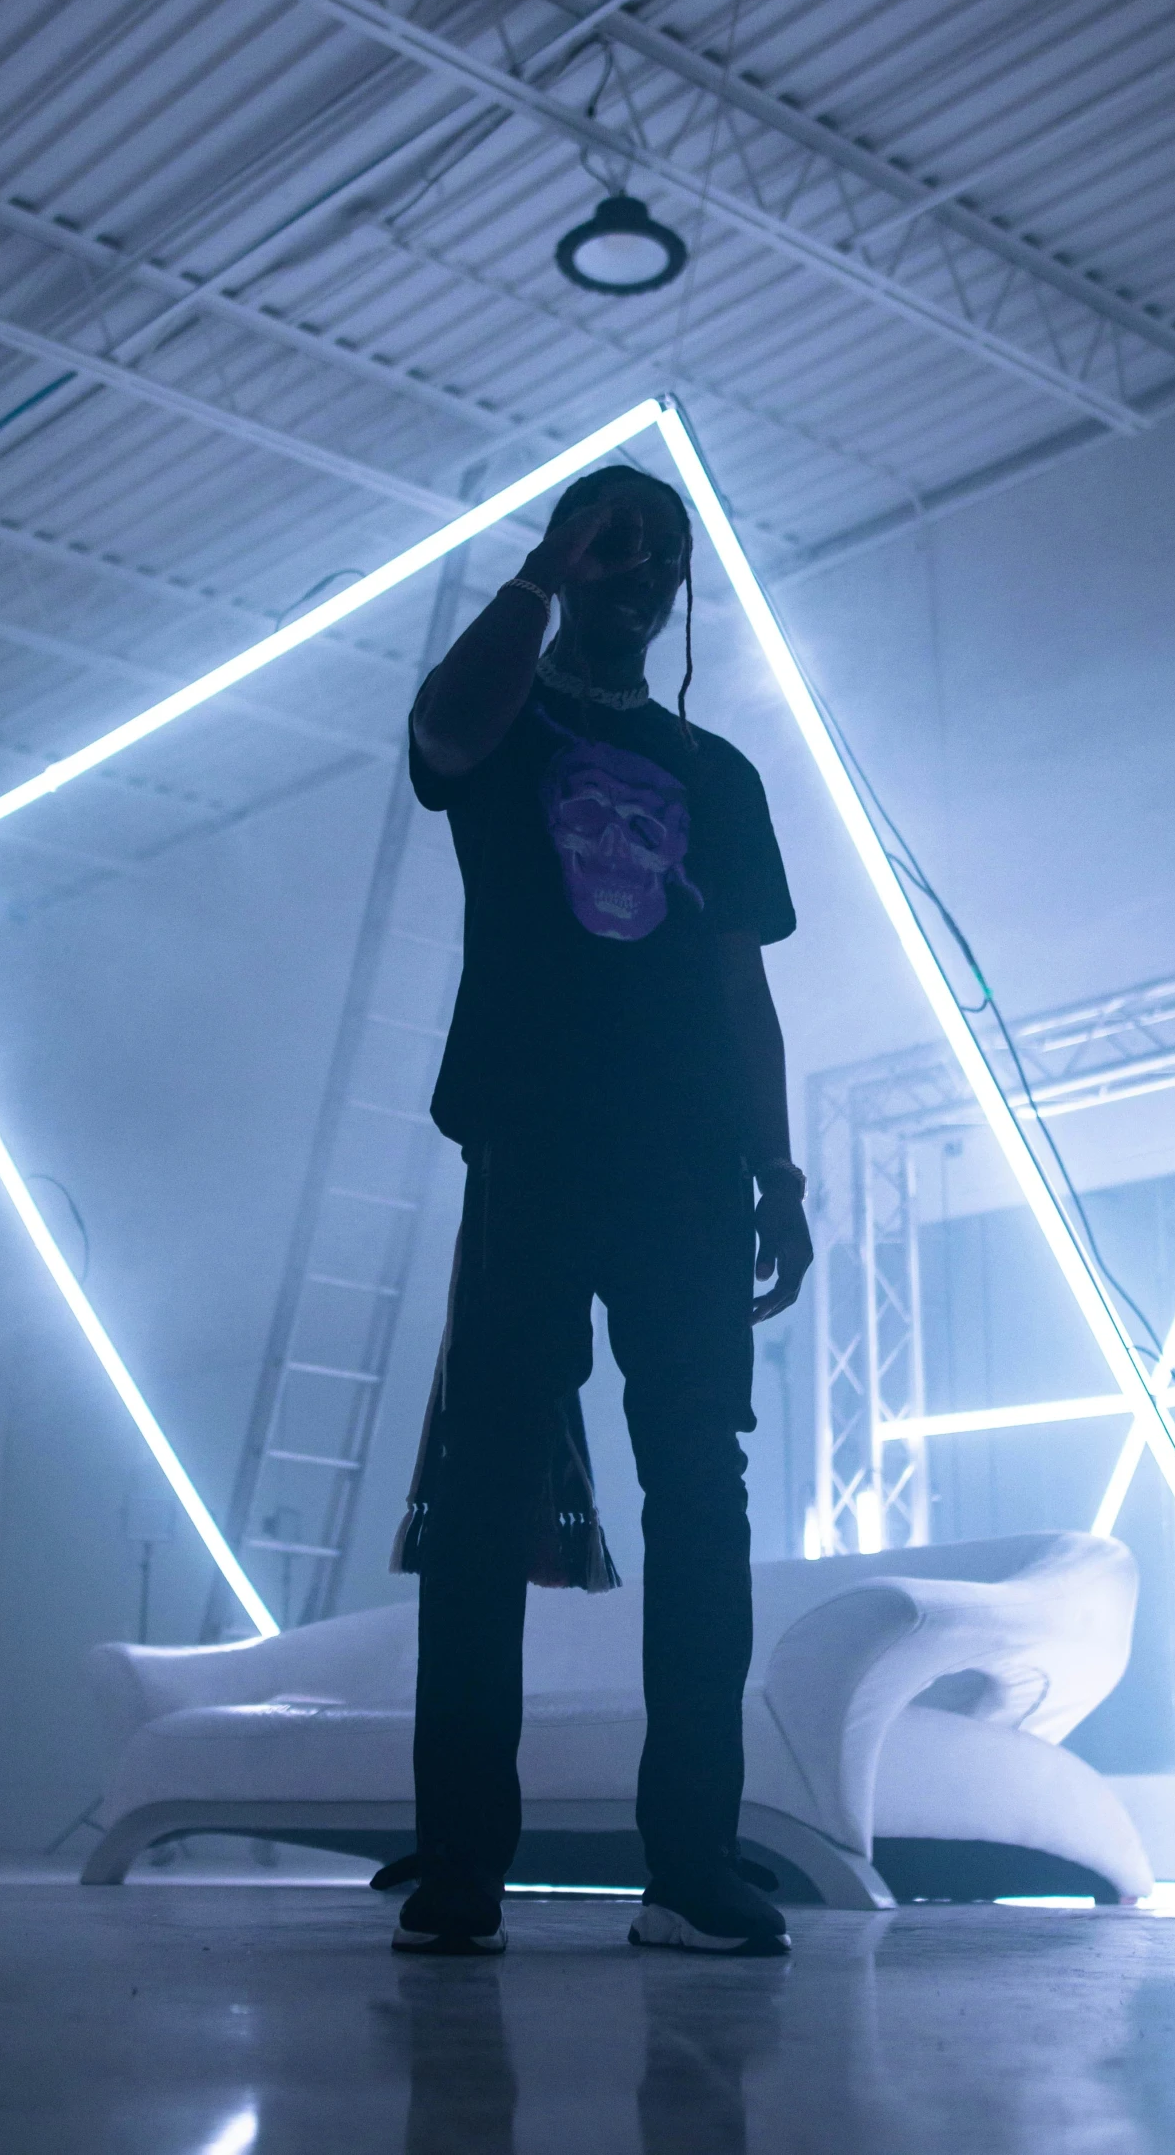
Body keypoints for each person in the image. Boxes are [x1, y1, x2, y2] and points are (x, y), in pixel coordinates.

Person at [387, 464, 812, 1958]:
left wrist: (780, 1171)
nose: (637, 574)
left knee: (700, 1488)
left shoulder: (719, 777)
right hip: (530, 1145)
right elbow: (437, 734)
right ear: (571, 556)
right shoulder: (503, 718)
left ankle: (690, 1864)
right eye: (610, 546)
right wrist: (538, 571)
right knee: (488, 1495)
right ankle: (459, 1868)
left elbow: (737, 982)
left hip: (689, 1170)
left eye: (660, 555)